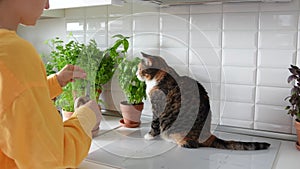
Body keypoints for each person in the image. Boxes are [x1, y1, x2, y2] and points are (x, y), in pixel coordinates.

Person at [0, 0, 102, 168]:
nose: (47, 5)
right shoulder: (14, 53)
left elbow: (9, 100)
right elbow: (53, 158)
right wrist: (87, 116)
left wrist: (56, 82)